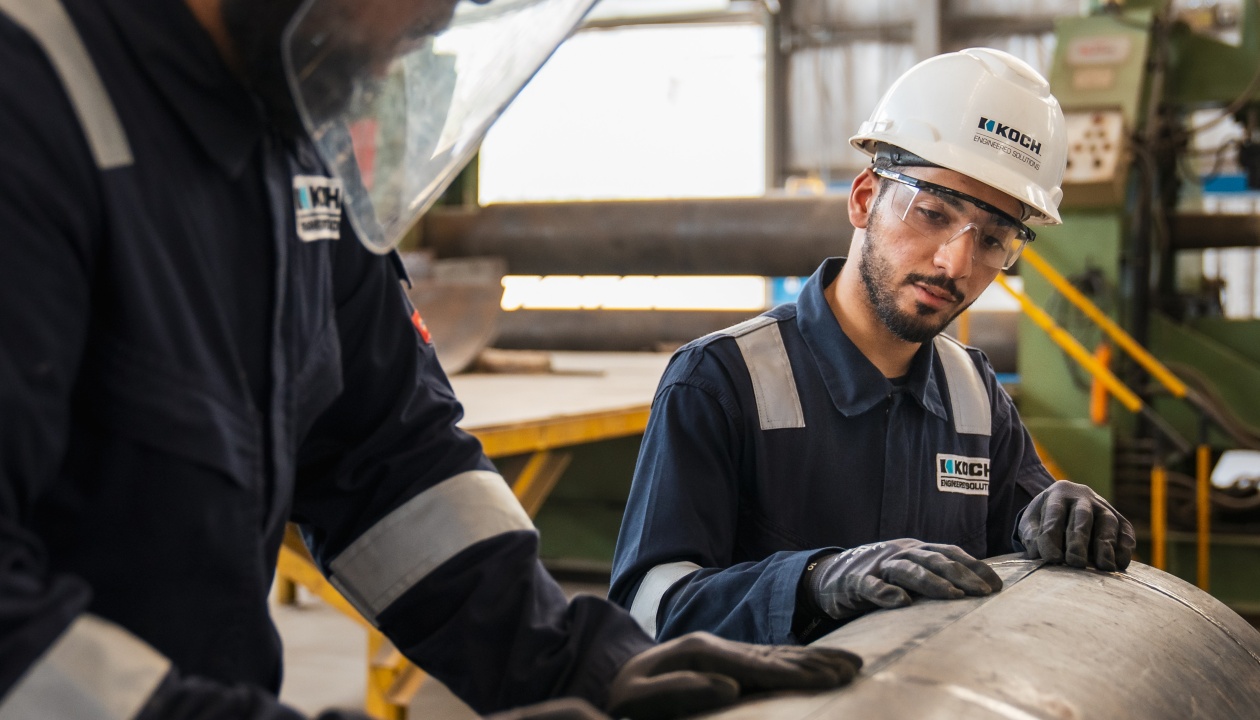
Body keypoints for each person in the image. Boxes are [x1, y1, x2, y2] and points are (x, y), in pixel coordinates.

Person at [0, 0, 863, 718]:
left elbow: (391, 461)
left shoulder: (288, 150)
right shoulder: (29, 98)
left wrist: (578, 665)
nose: (433, 23)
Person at [609, 47, 1138, 647]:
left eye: (993, 241)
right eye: (933, 213)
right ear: (864, 199)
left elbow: (1024, 533)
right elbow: (645, 608)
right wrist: (810, 583)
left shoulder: (974, 396)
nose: (956, 264)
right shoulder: (721, 381)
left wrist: (1062, 514)